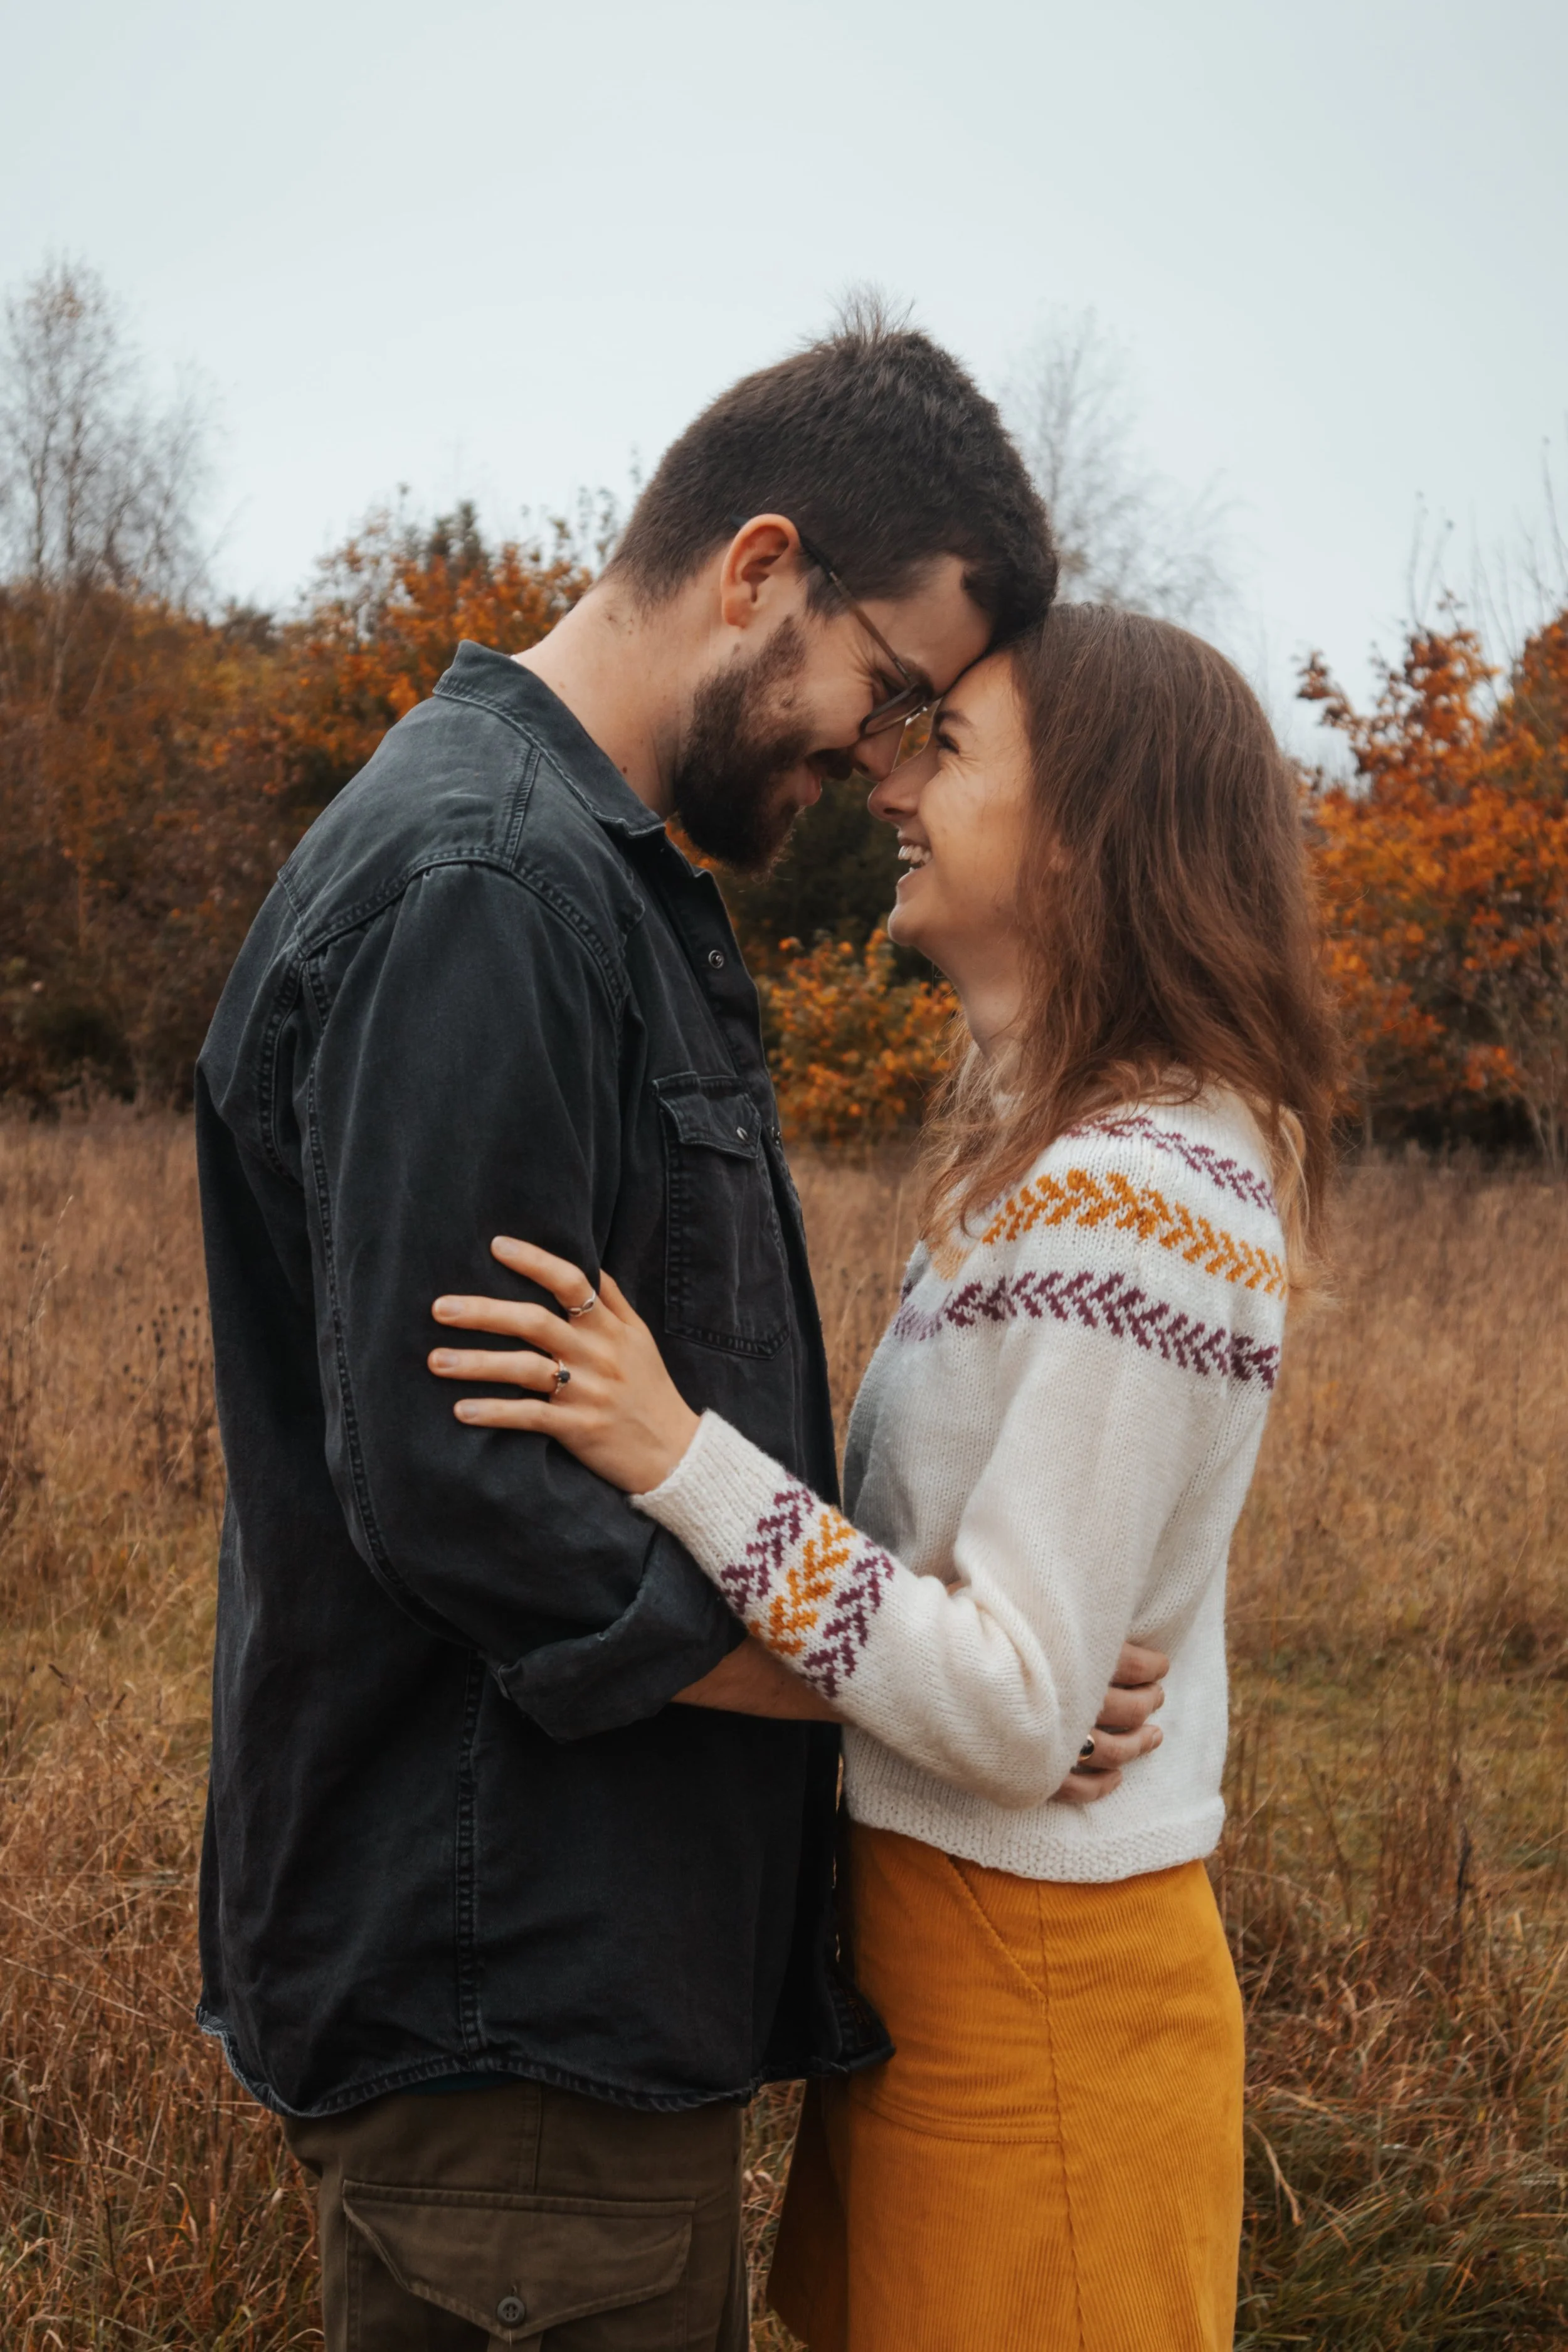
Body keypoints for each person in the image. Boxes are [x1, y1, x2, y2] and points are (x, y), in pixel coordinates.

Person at [195, 309, 1159, 2352]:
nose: (873, 762)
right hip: (511, 2012)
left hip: (567, 2004)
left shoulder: (591, 883)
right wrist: (927, 1689)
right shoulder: (492, 888)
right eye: (883, 686)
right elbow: (471, 1507)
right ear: (756, 570)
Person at [427, 601, 1343, 2351]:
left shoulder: (1143, 1193)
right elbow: (995, 1663)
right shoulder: (1050, 1171)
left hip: (1042, 1999)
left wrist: (675, 1454)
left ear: (1086, 825)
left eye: (949, 748)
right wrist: (988, 1691)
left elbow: (1006, 1703)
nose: (889, 786)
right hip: (943, 1964)